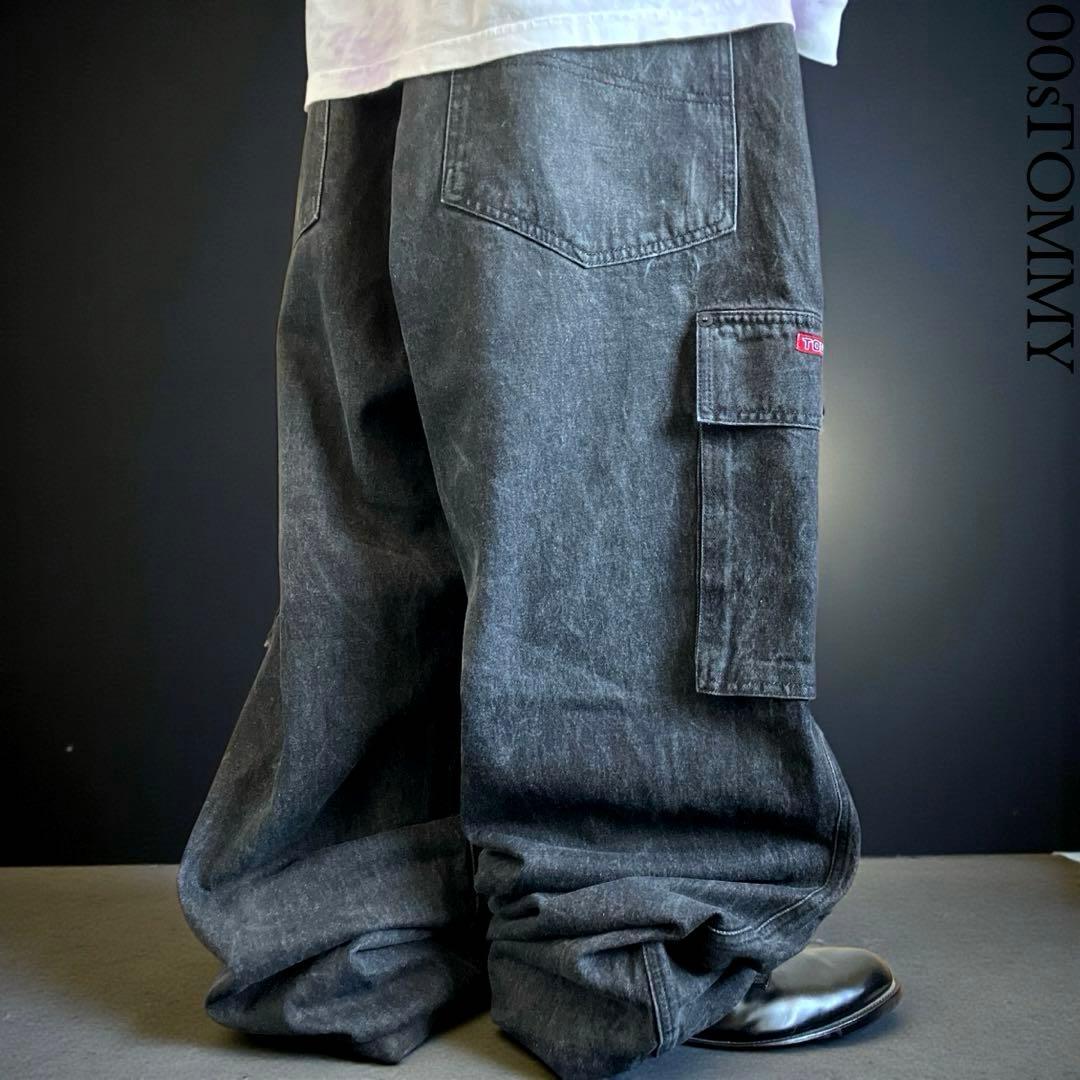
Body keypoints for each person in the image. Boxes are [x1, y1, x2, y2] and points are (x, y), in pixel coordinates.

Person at [176, 3, 903, 1077]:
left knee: (397, 510)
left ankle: (360, 935)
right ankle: (637, 930)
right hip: (621, 30)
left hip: (380, 56)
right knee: (638, 479)